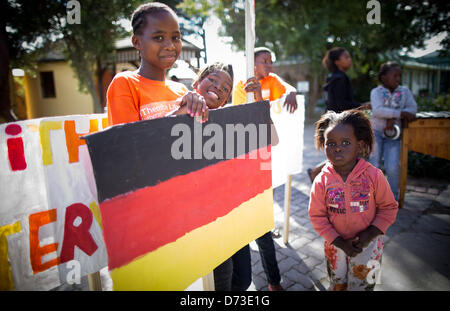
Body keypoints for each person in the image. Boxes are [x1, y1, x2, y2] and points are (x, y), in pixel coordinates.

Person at [308, 109, 398, 291]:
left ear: (360, 146)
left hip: (370, 245)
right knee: (337, 285)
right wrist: (339, 242)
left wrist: (368, 236)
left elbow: (388, 208)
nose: (337, 148)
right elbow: (317, 217)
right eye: (330, 143)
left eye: (346, 142)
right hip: (335, 246)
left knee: (364, 286)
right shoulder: (321, 181)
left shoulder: (374, 176)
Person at [232, 47, 292, 291]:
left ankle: (273, 282)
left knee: (263, 228)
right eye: (264, 60)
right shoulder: (240, 87)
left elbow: (268, 132)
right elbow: (243, 121)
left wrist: (287, 94)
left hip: (260, 164)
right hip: (239, 171)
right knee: (242, 236)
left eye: (270, 60)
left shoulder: (271, 81)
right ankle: (256, 279)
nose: (269, 64)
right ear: (251, 64)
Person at [106, 2, 207, 126]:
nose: (170, 46)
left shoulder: (181, 91)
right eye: (159, 38)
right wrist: (178, 114)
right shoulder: (126, 83)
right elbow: (127, 141)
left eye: (175, 38)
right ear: (137, 42)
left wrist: (200, 108)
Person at [307, 47, 370, 182]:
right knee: (344, 153)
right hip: (338, 123)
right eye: (346, 57)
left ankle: (316, 172)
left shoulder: (333, 78)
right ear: (337, 62)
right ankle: (316, 173)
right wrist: (361, 106)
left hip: (332, 121)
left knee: (341, 152)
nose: (349, 60)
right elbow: (342, 104)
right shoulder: (341, 78)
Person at [369, 61, 417, 201]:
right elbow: (377, 111)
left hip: (394, 135)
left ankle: (392, 199)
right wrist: (398, 114)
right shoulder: (376, 92)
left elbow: (412, 109)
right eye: (394, 75)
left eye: (399, 76)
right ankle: (372, 197)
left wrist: (390, 116)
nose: (398, 78)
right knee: (374, 165)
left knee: (392, 167)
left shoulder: (405, 92)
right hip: (376, 132)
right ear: (383, 77)